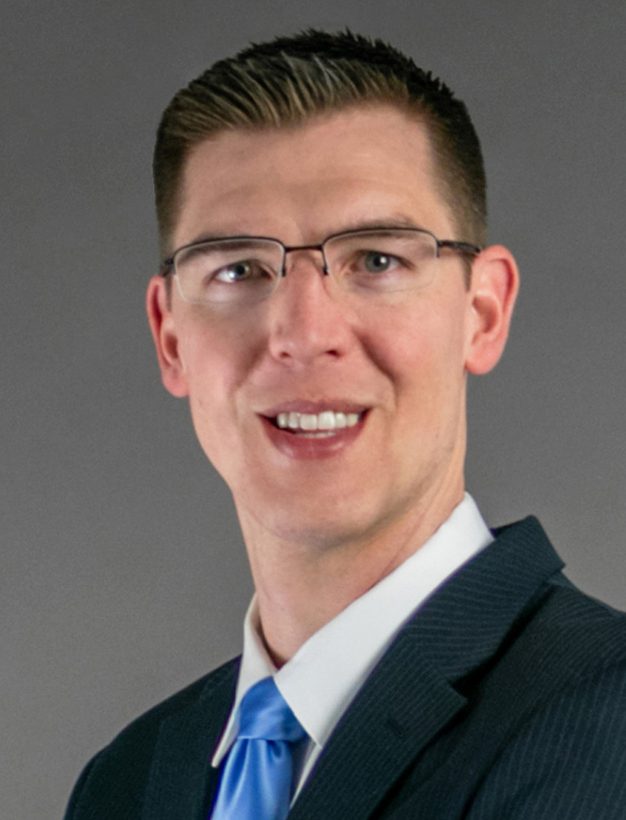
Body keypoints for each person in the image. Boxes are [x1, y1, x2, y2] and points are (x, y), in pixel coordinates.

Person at [65, 30, 626, 819]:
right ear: (169, 337)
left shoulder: (606, 727)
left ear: (483, 311)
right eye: (239, 269)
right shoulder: (124, 783)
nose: (302, 331)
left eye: (376, 260)